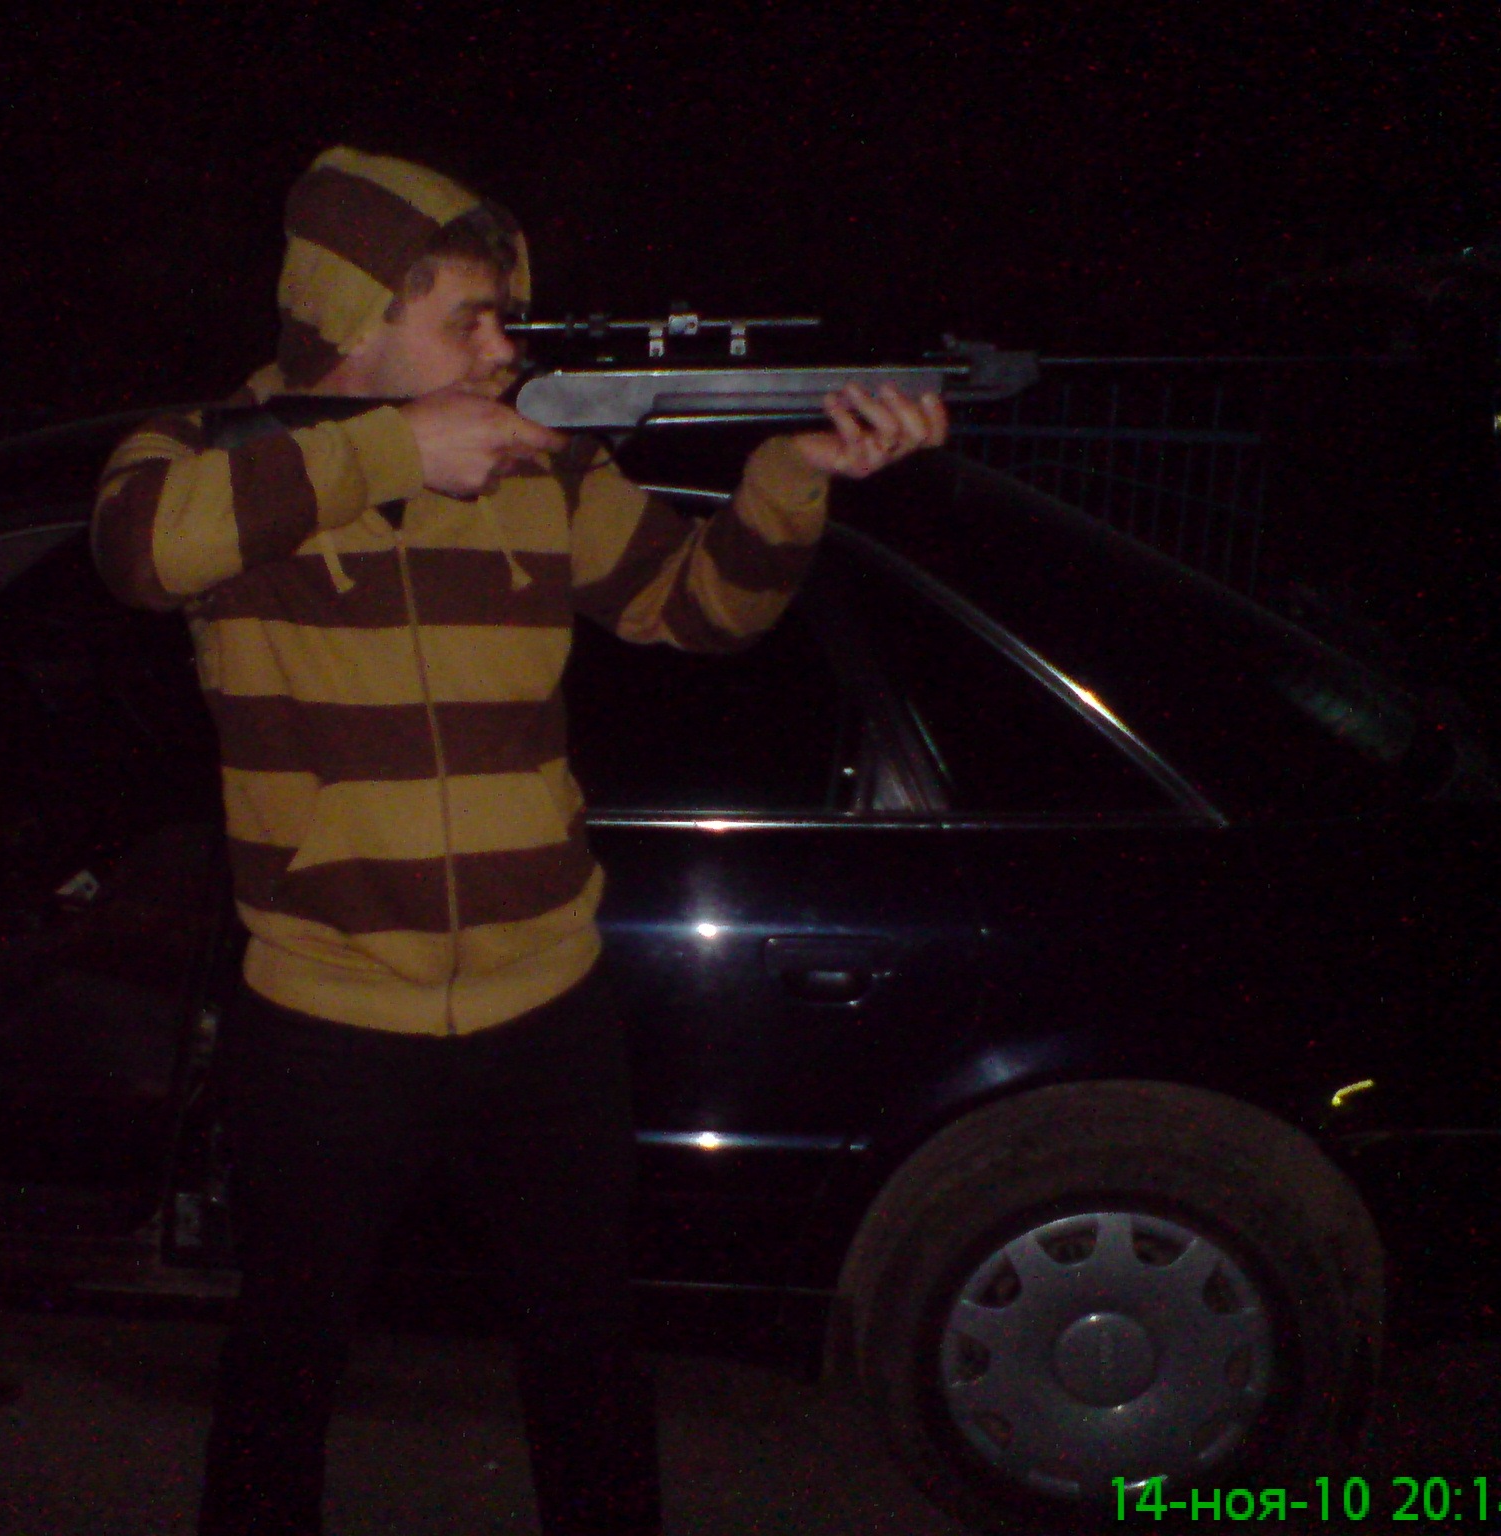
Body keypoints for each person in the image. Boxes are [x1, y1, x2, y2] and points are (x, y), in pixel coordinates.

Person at [92, 144, 946, 1536]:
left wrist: (789, 481)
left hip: (546, 1007)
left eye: (508, 320)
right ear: (358, 314)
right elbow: (138, 549)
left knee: (591, 1360)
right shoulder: (197, 452)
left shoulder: (535, 468)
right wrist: (393, 452)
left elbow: (697, 609)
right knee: (283, 1370)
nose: (506, 350)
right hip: (325, 1016)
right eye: (471, 321)